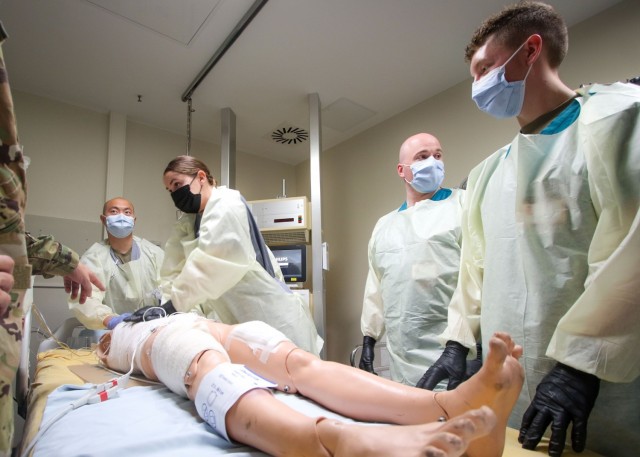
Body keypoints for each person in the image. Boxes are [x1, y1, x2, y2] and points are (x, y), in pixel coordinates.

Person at [418, 2, 640, 456]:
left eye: (484, 68)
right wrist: (459, 342)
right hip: (516, 386)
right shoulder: (487, 175)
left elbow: (631, 251)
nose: (477, 86)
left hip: (602, 382)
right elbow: (474, 267)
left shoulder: (617, 120)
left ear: (530, 49)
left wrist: (581, 364)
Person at [97, 312, 524, 457]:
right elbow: (106, 341)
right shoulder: (121, 336)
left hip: (210, 323)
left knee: (300, 364)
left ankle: (450, 403)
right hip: (166, 336)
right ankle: (325, 440)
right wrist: (116, 325)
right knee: (203, 363)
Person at [0, 22, 104, 456]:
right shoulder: (97, 253)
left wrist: (66, 261)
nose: (121, 218)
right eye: (113, 212)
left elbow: (13, 238)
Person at [119, 155, 322, 354]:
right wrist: (165, 311)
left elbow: (212, 264)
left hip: (274, 317)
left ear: (200, 177)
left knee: (298, 377)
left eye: (177, 184)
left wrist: (173, 306)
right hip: (241, 322)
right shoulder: (188, 223)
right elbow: (173, 272)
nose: (174, 193)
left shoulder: (227, 203)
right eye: (169, 189)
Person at [358, 133, 468, 386]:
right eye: (422, 156)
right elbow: (375, 287)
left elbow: (481, 278)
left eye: (437, 155)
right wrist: (369, 338)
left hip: (455, 352)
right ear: (401, 169)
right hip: (402, 357)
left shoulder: (463, 205)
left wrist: (474, 346)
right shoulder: (385, 226)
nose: (433, 161)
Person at [68, 197, 164, 330]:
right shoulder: (94, 257)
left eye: (127, 212)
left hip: (154, 329)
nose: (121, 217)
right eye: (114, 211)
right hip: (112, 333)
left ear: (134, 220)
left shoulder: (154, 253)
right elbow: (85, 299)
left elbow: (173, 289)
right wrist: (111, 320)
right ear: (103, 219)